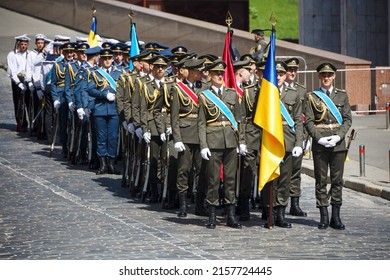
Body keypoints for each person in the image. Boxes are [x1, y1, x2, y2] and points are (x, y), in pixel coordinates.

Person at [198, 59, 246, 229]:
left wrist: (241, 141)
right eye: (216, 73)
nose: (219, 76)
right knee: (212, 180)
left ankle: (230, 216)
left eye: (221, 73)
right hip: (213, 141)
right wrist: (203, 145)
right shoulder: (204, 96)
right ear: (210, 75)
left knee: (231, 179)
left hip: (231, 141)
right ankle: (211, 215)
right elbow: (202, 123)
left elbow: (240, 120)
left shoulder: (232, 94)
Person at [304, 62, 352, 230]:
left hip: (338, 144)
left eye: (329, 75)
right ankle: (324, 216)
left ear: (334, 76)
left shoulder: (342, 95)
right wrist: (318, 138)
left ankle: (336, 217)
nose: (326, 78)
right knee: (321, 180)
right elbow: (308, 121)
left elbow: (347, 120)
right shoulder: (312, 97)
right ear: (319, 77)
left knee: (337, 180)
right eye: (323, 75)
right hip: (320, 144)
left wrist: (338, 136)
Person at [261, 61, 303, 228]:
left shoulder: (293, 94)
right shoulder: (266, 92)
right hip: (270, 140)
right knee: (270, 179)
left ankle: (280, 214)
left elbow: (299, 120)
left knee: (285, 180)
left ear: (285, 75)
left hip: (288, 140)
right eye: (276, 74)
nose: (278, 77)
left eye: (281, 74)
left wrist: (299, 142)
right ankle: (269, 211)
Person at [170, 58, 207, 217]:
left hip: (202, 135)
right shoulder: (178, 89)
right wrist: (177, 139)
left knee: (202, 171)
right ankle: (183, 205)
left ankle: (199, 204)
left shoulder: (205, 88)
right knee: (183, 170)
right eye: (198, 71)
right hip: (185, 134)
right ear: (192, 72)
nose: (201, 73)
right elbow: (174, 117)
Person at [87, 48, 122, 175]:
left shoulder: (119, 73)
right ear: (100, 59)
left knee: (113, 137)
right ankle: (102, 164)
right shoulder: (95, 73)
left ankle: (111, 164)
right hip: (100, 109)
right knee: (101, 138)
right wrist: (103, 95)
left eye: (109, 58)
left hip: (114, 109)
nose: (107, 60)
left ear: (112, 59)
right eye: (105, 58)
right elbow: (90, 89)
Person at [284, 57, 308, 217]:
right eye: (290, 70)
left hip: (295, 137)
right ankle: (278, 205)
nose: (292, 73)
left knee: (295, 172)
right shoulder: (275, 89)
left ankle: (295, 204)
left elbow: (305, 116)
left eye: (295, 70)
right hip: (280, 137)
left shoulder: (301, 90)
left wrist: (306, 138)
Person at [51, 42, 76, 158]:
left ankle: (74, 145)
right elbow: (54, 83)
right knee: (63, 122)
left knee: (74, 122)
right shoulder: (57, 65)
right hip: (61, 96)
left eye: (71, 52)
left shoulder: (78, 65)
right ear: (63, 53)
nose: (69, 54)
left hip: (73, 95)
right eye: (67, 52)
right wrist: (55, 99)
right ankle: (64, 145)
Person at [7, 34, 31, 132]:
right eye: (22, 44)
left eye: (25, 44)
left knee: (28, 102)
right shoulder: (12, 55)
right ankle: (21, 122)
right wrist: (18, 83)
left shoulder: (29, 54)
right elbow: (11, 71)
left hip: (27, 79)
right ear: (18, 44)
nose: (23, 46)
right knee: (18, 102)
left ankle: (31, 122)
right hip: (17, 79)